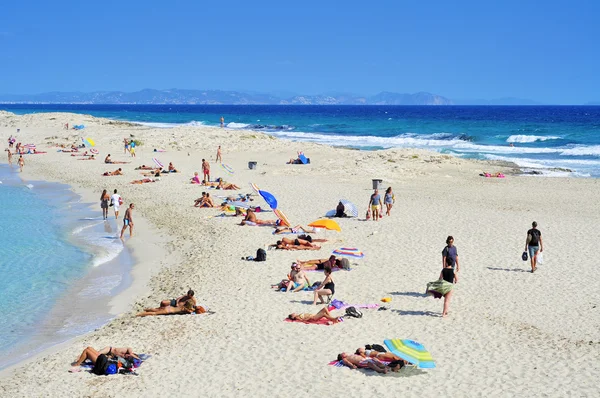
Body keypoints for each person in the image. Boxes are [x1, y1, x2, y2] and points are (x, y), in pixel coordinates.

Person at [70, 346, 139, 372]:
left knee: (87, 351)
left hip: (103, 363)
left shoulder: (126, 361)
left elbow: (135, 358)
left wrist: (132, 355)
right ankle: (83, 359)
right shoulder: (124, 356)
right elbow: (130, 351)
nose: (127, 355)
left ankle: (78, 363)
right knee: (89, 348)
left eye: (129, 356)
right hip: (105, 360)